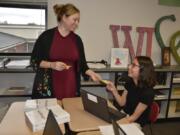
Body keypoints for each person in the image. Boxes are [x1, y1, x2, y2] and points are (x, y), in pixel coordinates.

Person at [31, 3, 101, 99]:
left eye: (78, 20)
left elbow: (83, 65)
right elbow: (34, 60)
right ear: (64, 17)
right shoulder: (46, 37)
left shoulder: (77, 40)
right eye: (75, 19)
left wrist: (92, 73)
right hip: (48, 88)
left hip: (70, 87)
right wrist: (52, 65)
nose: (77, 23)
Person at [106, 56, 156, 126]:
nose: (129, 67)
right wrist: (113, 90)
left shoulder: (148, 93)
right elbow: (122, 103)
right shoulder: (130, 83)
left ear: (143, 70)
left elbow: (133, 118)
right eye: (131, 64)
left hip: (135, 122)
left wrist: (114, 124)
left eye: (134, 65)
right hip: (124, 115)